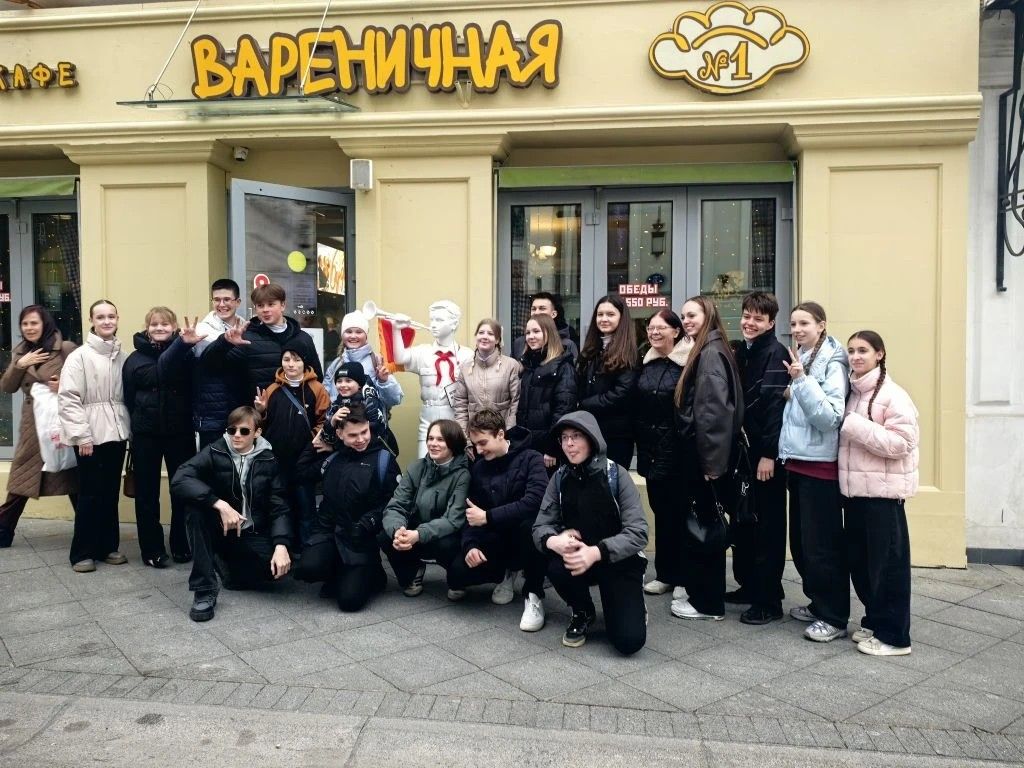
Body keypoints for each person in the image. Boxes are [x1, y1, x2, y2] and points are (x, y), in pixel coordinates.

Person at [533, 411, 648, 654]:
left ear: (592, 438)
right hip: (578, 559)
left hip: (618, 560)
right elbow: (540, 526)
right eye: (564, 438)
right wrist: (554, 540)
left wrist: (596, 552)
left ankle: (628, 600)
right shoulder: (559, 478)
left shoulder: (617, 475)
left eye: (576, 436)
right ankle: (583, 610)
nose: (569, 444)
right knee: (555, 564)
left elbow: (638, 532)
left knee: (629, 641)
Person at [171, 406, 292, 623]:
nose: (236, 435)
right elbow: (180, 479)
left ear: (257, 433)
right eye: (231, 430)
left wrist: (281, 545)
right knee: (194, 509)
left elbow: (279, 506)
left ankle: (226, 564)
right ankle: (204, 590)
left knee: (277, 571)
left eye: (244, 431)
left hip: (250, 531)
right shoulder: (215, 451)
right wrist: (219, 504)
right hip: (221, 527)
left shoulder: (268, 459)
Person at [840, 331, 919, 656]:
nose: (856, 356)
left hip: (883, 499)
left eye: (863, 350)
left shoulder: (894, 395)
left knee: (888, 569)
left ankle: (895, 637)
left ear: (880, 354)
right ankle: (875, 620)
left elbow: (903, 443)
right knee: (863, 565)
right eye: (851, 351)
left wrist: (854, 425)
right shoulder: (855, 392)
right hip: (857, 495)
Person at [778, 301, 850, 642]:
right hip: (799, 462)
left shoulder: (832, 361)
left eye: (804, 323)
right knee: (803, 545)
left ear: (821, 325)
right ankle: (818, 603)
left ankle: (834, 616)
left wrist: (800, 382)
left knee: (822, 547)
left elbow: (829, 417)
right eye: (793, 324)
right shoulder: (805, 356)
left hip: (820, 468)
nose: (797, 329)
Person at [671, 296, 743, 622]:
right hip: (705, 456)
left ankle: (707, 603)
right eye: (684, 316)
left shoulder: (710, 352)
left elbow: (713, 413)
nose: (686, 320)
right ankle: (703, 595)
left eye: (692, 315)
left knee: (706, 529)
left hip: (704, 459)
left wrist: (712, 465)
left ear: (708, 315)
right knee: (705, 527)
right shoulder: (711, 347)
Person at [447, 409, 549, 631]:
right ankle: (505, 573)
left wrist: (488, 516)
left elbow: (535, 501)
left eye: (483, 443)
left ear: (501, 434)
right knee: (456, 575)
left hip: (524, 536)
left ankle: (533, 594)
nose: (478, 450)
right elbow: (471, 512)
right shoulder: (479, 467)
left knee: (530, 526)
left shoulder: (531, 458)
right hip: (496, 537)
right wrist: (470, 546)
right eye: (475, 444)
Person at [293, 406, 401, 612]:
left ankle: (373, 574)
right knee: (308, 568)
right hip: (328, 532)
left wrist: (368, 522)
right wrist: (324, 432)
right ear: (340, 434)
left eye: (364, 432)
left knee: (349, 602)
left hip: (359, 538)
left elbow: (393, 502)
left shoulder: (383, 460)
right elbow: (301, 472)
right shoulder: (333, 457)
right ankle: (338, 572)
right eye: (353, 435)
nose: (360, 439)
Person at [122, 307, 203, 567]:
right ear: (147, 328)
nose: (159, 328)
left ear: (174, 327)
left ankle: (181, 544)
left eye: (165, 324)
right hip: (146, 434)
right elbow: (133, 392)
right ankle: (152, 549)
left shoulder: (187, 354)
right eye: (154, 324)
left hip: (179, 432)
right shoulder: (135, 359)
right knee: (147, 494)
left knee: (181, 489)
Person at [729, 292, 791, 624]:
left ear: (770, 323)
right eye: (747, 316)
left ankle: (769, 601)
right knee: (747, 522)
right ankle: (751, 586)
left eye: (758, 318)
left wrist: (768, 454)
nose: (750, 323)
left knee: (768, 527)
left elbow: (773, 407)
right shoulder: (745, 350)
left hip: (764, 456)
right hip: (745, 452)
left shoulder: (775, 353)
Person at [58, 299, 131, 573]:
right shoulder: (79, 357)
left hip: (116, 433)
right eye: (100, 317)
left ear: (117, 318)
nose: (106, 321)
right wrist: (82, 436)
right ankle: (82, 553)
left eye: (111, 316)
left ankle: (108, 546)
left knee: (110, 493)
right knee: (89, 494)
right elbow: (69, 398)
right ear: (91, 321)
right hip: (90, 436)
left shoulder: (123, 356)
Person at [0, 305, 79, 548]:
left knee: (72, 475)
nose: (29, 328)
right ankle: (3, 530)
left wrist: (63, 385)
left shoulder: (65, 348)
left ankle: (90, 528)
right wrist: (20, 364)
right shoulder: (21, 352)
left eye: (34, 323)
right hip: (33, 424)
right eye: (25, 324)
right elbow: (7, 387)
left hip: (60, 422)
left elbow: (85, 381)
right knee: (23, 475)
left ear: (45, 324)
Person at [632, 309, 691, 599]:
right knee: (662, 515)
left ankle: (684, 577)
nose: (654, 333)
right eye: (651, 328)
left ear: (676, 332)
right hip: (651, 451)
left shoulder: (688, 364)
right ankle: (665, 574)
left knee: (680, 516)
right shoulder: (647, 362)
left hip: (678, 452)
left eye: (661, 328)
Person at [253, 340, 330, 549]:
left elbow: (324, 421)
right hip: (278, 460)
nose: (291, 364)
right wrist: (261, 411)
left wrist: (311, 441)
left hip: (304, 459)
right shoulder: (273, 389)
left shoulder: (317, 389)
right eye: (286, 359)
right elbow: (262, 424)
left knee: (305, 506)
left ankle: (307, 549)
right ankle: (282, 547)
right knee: (280, 505)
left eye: (296, 360)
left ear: (304, 362)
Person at [381, 419, 470, 597]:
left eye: (440, 439)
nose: (433, 443)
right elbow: (396, 505)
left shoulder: (463, 475)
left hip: (445, 535)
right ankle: (413, 572)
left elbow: (453, 520)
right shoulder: (416, 467)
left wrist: (419, 534)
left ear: (453, 443)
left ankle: (455, 579)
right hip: (415, 532)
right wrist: (398, 531)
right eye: (430, 438)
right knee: (385, 536)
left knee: (447, 545)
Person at [203, 282, 323, 402]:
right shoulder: (246, 338)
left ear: (282, 305)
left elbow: (316, 377)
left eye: (271, 304)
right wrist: (225, 341)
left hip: (297, 409)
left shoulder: (303, 338)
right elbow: (209, 363)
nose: (265, 310)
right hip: (259, 410)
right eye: (260, 305)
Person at [390, 300, 473, 458]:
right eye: (432, 319)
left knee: (455, 463)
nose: (433, 324)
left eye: (439, 320)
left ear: (454, 324)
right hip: (428, 416)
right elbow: (399, 358)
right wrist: (396, 329)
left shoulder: (467, 355)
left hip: (456, 417)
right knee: (425, 461)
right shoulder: (423, 352)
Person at [576, 295, 638, 467]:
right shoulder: (591, 350)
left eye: (610, 314)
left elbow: (621, 394)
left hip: (616, 435)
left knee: (612, 481)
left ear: (621, 318)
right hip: (589, 429)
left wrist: (584, 404)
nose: (604, 319)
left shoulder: (629, 352)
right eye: (600, 314)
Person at [515, 314, 577, 471]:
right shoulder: (527, 365)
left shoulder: (563, 366)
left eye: (536, 331)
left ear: (549, 333)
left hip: (548, 452)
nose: (531, 336)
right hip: (527, 446)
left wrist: (553, 447)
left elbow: (563, 410)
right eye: (528, 332)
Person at [192, 279, 246, 448]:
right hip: (211, 416)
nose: (222, 305)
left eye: (227, 299)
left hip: (240, 413)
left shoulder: (247, 329)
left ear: (237, 302)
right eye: (217, 300)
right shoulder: (200, 331)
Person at [452, 318, 522, 435]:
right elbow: (460, 405)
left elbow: (516, 403)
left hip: (501, 435)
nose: (484, 337)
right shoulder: (465, 367)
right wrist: (464, 436)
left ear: (497, 340)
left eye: (490, 334)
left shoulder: (511, 365)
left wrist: (508, 433)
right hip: (475, 435)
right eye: (481, 332)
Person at [324, 308, 403, 407]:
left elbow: (395, 399)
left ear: (366, 335)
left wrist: (384, 381)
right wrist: (332, 414)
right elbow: (325, 396)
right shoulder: (336, 364)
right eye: (349, 331)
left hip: (369, 417)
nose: (353, 336)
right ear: (342, 335)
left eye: (358, 332)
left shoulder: (377, 362)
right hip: (340, 417)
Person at [320, 362, 392, 451]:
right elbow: (327, 439)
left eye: (348, 381)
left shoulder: (370, 402)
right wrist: (332, 421)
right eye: (339, 381)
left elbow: (378, 433)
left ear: (359, 384)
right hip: (347, 454)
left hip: (373, 453)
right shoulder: (336, 405)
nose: (342, 385)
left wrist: (337, 447)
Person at [511, 292, 579, 361]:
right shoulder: (519, 343)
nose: (536, 312)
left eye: (542, 309)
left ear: (553, 314)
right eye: (533, 309)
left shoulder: (567, 344)